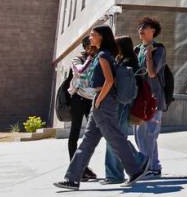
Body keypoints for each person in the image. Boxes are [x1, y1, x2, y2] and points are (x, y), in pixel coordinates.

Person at [54, 25, 149, 190]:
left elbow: (109, 80)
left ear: (101, 37)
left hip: (103, 101)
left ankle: (136, 169)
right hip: (100, 100)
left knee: (114, 138)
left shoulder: (104, 55)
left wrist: (98, 101)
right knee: (89, 141)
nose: (90, 37)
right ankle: (72, 178)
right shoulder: (101, 54)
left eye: (93, 35)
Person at [133, 16, 166, 178]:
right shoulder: (136, 49)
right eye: (140, 26)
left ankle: (153, 166)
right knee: (139, 134)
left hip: (153, 97)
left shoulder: (159, 49)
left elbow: (152, 73)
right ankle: (147, 165)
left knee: (150, 133)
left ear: (153, 30)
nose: (141, 29)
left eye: (144, 26)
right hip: (138, 98)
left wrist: (148, 55)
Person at [104, 36, 139, 184]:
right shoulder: (130, 61)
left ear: (121, 47)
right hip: (124, 105)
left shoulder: (125, 63)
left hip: (119, 105)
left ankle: (115, 175)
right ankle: (120, 172)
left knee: (114, 139)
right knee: (117, 138)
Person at [66, 37, 98, 182]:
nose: (93, 49)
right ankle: (76, 168)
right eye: (91, 47)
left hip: (92, 99)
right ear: (86, 47)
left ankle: (83, 167)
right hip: (78, 99)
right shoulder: (77, 59)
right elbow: (80, 71)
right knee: (75, 132)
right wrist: (90, 58)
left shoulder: (99, 58)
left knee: (93, 132)